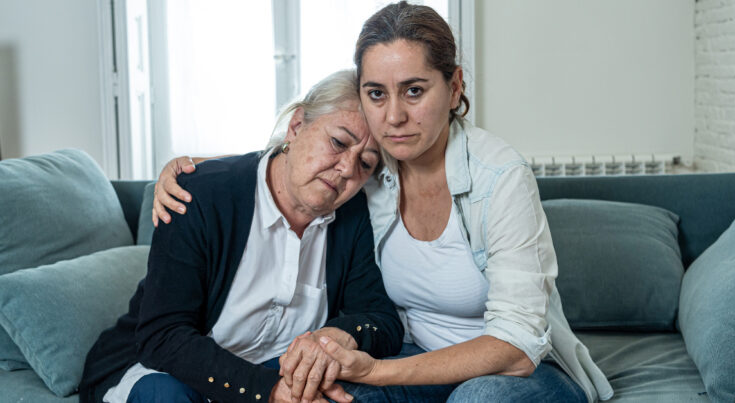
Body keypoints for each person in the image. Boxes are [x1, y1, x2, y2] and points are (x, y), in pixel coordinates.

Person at [153, 2, 614, 402]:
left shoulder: (501, 178)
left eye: (414, 91)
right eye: (377, 94)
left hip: (521, 374)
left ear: (454, 88)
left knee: (480, 397)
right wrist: (192, 168)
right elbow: (305, 156)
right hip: (414, 359)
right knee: (316, 392)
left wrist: (374, 371)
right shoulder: (372, 170)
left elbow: (515, 348)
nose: (394, 116)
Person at [78, 69, 404, 403]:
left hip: (275, 371)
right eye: (338, 142)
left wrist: (339, 335)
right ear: (296, 126)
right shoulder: (199, 195)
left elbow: (383, 322)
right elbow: (162, 337)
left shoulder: (351, 214)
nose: (348, 169)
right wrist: (270, 392)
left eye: (365, 163)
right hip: (165, 371)